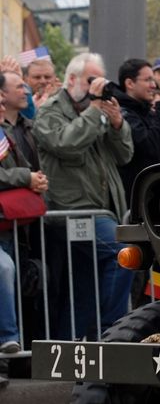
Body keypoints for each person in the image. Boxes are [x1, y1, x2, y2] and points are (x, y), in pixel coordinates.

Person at [33, 53, 134, 340]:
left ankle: (69, 347)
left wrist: (117, 126)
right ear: (72, 79)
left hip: (102, 211)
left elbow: (124, 155)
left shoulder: (97, 110)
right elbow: (65, 144)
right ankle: (113, 332)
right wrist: (94, 110)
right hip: (72, 211)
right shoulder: (51, 111)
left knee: (85, 287)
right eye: (92, 80)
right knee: (123, 254)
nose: (97, 87)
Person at [0, 78, 48, 355]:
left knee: (13, 277)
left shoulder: (5, 135)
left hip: (9, 228)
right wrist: (24, 177)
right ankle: (9, 339)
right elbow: (19, 173)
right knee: (5, 269)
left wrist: (35, 180)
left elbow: (26, 168)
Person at [113, 59, 160, 197]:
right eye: (147, 80)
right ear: (129, 83)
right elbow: (150, 145)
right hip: (137, 194)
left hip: (158, 190)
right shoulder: (122, 113)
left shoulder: (147, 110)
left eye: (153, 80)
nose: (153, 85)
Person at [1, 72, 39, 171]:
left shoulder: (31, 126)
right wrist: (26, 178)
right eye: (20, 87)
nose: (26, 92)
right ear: (2, 94)